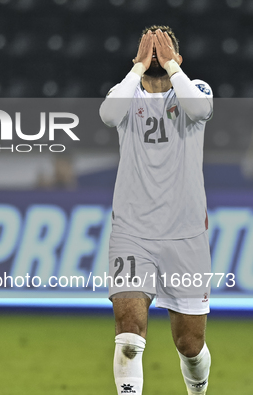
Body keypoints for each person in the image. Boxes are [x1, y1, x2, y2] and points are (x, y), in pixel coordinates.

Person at [99, 26, 213, 395]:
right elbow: (107, 115)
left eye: (162, 50)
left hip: (186, 236)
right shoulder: (125, 94)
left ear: (177, 58)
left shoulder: (196, 89)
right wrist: (136, 68)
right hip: (132, 232)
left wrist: (171, 66)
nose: (154, 56)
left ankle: (197, 389)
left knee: (190, 346)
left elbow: (199, 108)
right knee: (129, 335)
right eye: (148, 50)